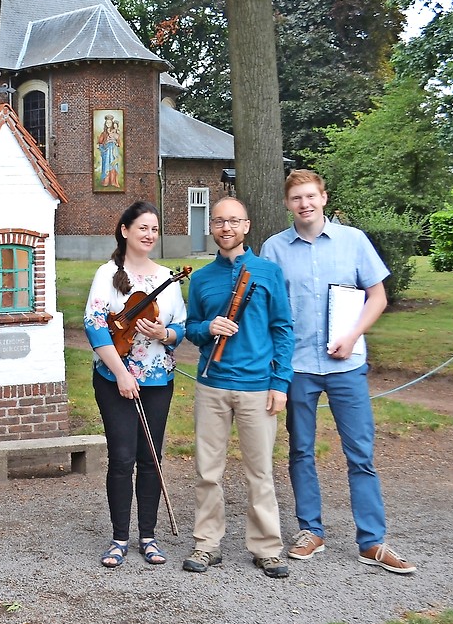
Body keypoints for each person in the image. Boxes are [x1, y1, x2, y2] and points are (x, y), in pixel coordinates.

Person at [261, 170, 415, 574]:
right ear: (287, 203)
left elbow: (377, 296)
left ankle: (372, 541)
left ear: (324, 198)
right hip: (297, 368)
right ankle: (311, 531)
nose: (304, 204)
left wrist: (352, 335)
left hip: (346, 365)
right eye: (296, 198)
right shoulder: (273, 249)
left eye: (311, 196)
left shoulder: (354, 241)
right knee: (301, 451)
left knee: (361, 454)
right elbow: (267, 310)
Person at [183, 197, 294, 579]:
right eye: (218, 222)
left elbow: (282, 329)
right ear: (211, 227)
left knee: (260, 471)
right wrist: (207, 328)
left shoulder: (267, 272)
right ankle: (206, 543)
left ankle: (267, 548)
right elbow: (191, 329)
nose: (226, 228)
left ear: (246, 226)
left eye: (233, 221)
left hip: (257, 386)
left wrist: (281, 382)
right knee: (207, 470)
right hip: (211, 385)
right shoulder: (200, 279)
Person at [82, 201, 186, 569]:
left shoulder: (167, 278)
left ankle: (148, 536)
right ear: (125, 231)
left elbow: (181, 327)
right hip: (115, 379)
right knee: (123, 458)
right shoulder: (108, 273)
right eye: (142, 227)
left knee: (151, 458)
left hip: (159, 379)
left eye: (154, 229)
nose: (149, 235)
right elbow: (95, 325)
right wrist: (122, 373)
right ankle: (119, 538)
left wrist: (166, 332)